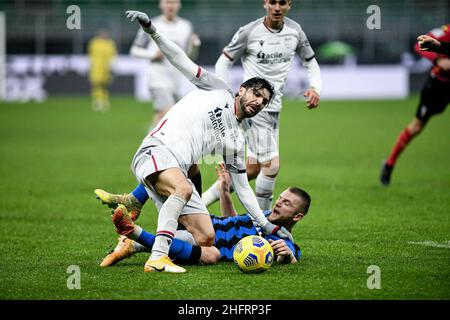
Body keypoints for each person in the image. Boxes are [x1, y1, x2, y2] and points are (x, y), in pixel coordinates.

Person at [104, 10, 292, 274]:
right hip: (157, 149)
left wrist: (268, 225)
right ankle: (157, 257)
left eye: (264, 101)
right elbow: (181, 60)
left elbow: (244, 189)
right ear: (241, 90)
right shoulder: (216, 88)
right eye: (256, 94)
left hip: (175, 168)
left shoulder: (238, 141)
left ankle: (134, 237)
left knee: (206, 238)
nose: (258, 102)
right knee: (185, 188)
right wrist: (152, 30)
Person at [201, 0, 322, 211]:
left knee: (253, 169)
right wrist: (225, 94)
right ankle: (263, 224)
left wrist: (315, 87)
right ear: (265, 3)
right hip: (255, 108)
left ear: (289, 5)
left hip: (274, 107)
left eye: (282, 2)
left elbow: (310, 61)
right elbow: (224, 61)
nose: (277, 7)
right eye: (272, 2)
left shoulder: (295, 31)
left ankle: (199, 204)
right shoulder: (250, 31)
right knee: (271, 166)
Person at [99, 163, 310, 267]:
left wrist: (289, 256)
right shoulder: (261, 214)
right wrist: (225, 192)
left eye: (287, 203)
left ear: (297, 216)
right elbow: (231, 221)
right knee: (189, 168)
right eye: (281, 198)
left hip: (204, 243)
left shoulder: (283, 240)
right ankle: (133, 201)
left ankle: (132, 236)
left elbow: (291, 256)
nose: (279, 203)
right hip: (200, 221)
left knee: (213, 255)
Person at [380, 24, 450, 186]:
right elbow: (419, 44)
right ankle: (389, 163)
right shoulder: (446, 31)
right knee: (417, 126)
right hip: (438, 86)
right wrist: (439, 59)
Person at [130, 0, 201, 129]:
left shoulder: (186, 26)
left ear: (179, 5)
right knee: (169, 114)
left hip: (175, 79)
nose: (170, 5)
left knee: (161, 117)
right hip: (158, 77)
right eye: (167, 2)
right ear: (161, 5)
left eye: (174, 2)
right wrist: (152, 55)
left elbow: (187, 57)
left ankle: (149, 146)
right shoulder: (151, 24)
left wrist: (195, 46)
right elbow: (134, 50)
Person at [87, 29, 117, 112]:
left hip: (106, 67)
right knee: (96, 84)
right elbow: (90, 54)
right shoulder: (94, 42)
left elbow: (113, 55)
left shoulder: (110, 43)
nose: (103, 35)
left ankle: (104, 100)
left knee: (104, 85)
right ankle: (97, 101)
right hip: (96, 67)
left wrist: (112, 66)